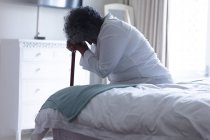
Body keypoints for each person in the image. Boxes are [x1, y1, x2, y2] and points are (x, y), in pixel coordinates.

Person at [64, 6, 173, 84]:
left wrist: (82, 48)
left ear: (89, 30)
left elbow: (103, 70)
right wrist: (81, 48)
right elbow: (98, 62)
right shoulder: (104, 31)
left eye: (87, 39)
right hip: (133, 83)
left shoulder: (112, 31)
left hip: (152, 82)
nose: (90, 43)